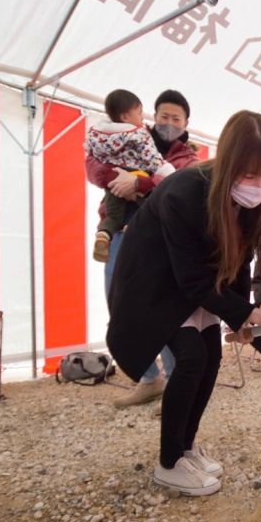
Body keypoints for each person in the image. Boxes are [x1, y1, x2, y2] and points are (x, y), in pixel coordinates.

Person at [106, 110, 261, 496]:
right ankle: (168, 462)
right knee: (191, 358)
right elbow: (189, 278)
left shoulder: (257, 202)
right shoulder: (184, 192)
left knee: (210, 357)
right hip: (156, 286)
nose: (260, 185)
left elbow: (241, 261)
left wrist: (241, 316)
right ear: (228, 165)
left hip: (197, 285)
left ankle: (185, 447)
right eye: (249, 175)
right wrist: (250, 313)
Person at [87, 89, 199, 409]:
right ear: (152, 115)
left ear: (186, 123)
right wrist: (116, 177)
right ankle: (150, 378)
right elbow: (93, 165)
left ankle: (177, 383)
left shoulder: (188, 156)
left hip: (161, 240)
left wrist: (139, 183)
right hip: (121, 231)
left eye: (175, 118)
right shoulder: (129, 138)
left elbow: (184, 185)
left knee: (163, 310)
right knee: (117, 301)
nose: (168, 123)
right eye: (163, 116)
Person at [85, 89, 174, 263]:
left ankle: (103, 235)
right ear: (126, 116)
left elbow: (91, 155)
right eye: (140, 112)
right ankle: (133, 228)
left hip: (113, 190)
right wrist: (168, 173)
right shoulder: (139, 134)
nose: (142, 117)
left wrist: (122, 180)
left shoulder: (96, 135)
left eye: (176, 119)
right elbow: (153, 161)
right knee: (150, 207)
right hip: (130, 179)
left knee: (113, 217)